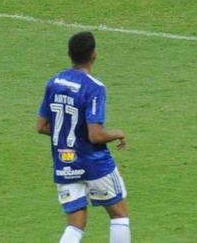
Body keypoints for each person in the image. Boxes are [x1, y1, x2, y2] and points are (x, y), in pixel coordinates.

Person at [37, 31, 130, 243]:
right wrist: (118, 133)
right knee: (119, 215)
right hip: (94, 163)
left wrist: (71, 132)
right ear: (94, 55)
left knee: (75, 224)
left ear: (69, 53)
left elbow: (41, 126)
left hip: (64, 161)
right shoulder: (94, 88)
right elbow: (95, 135)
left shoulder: (54, 83)